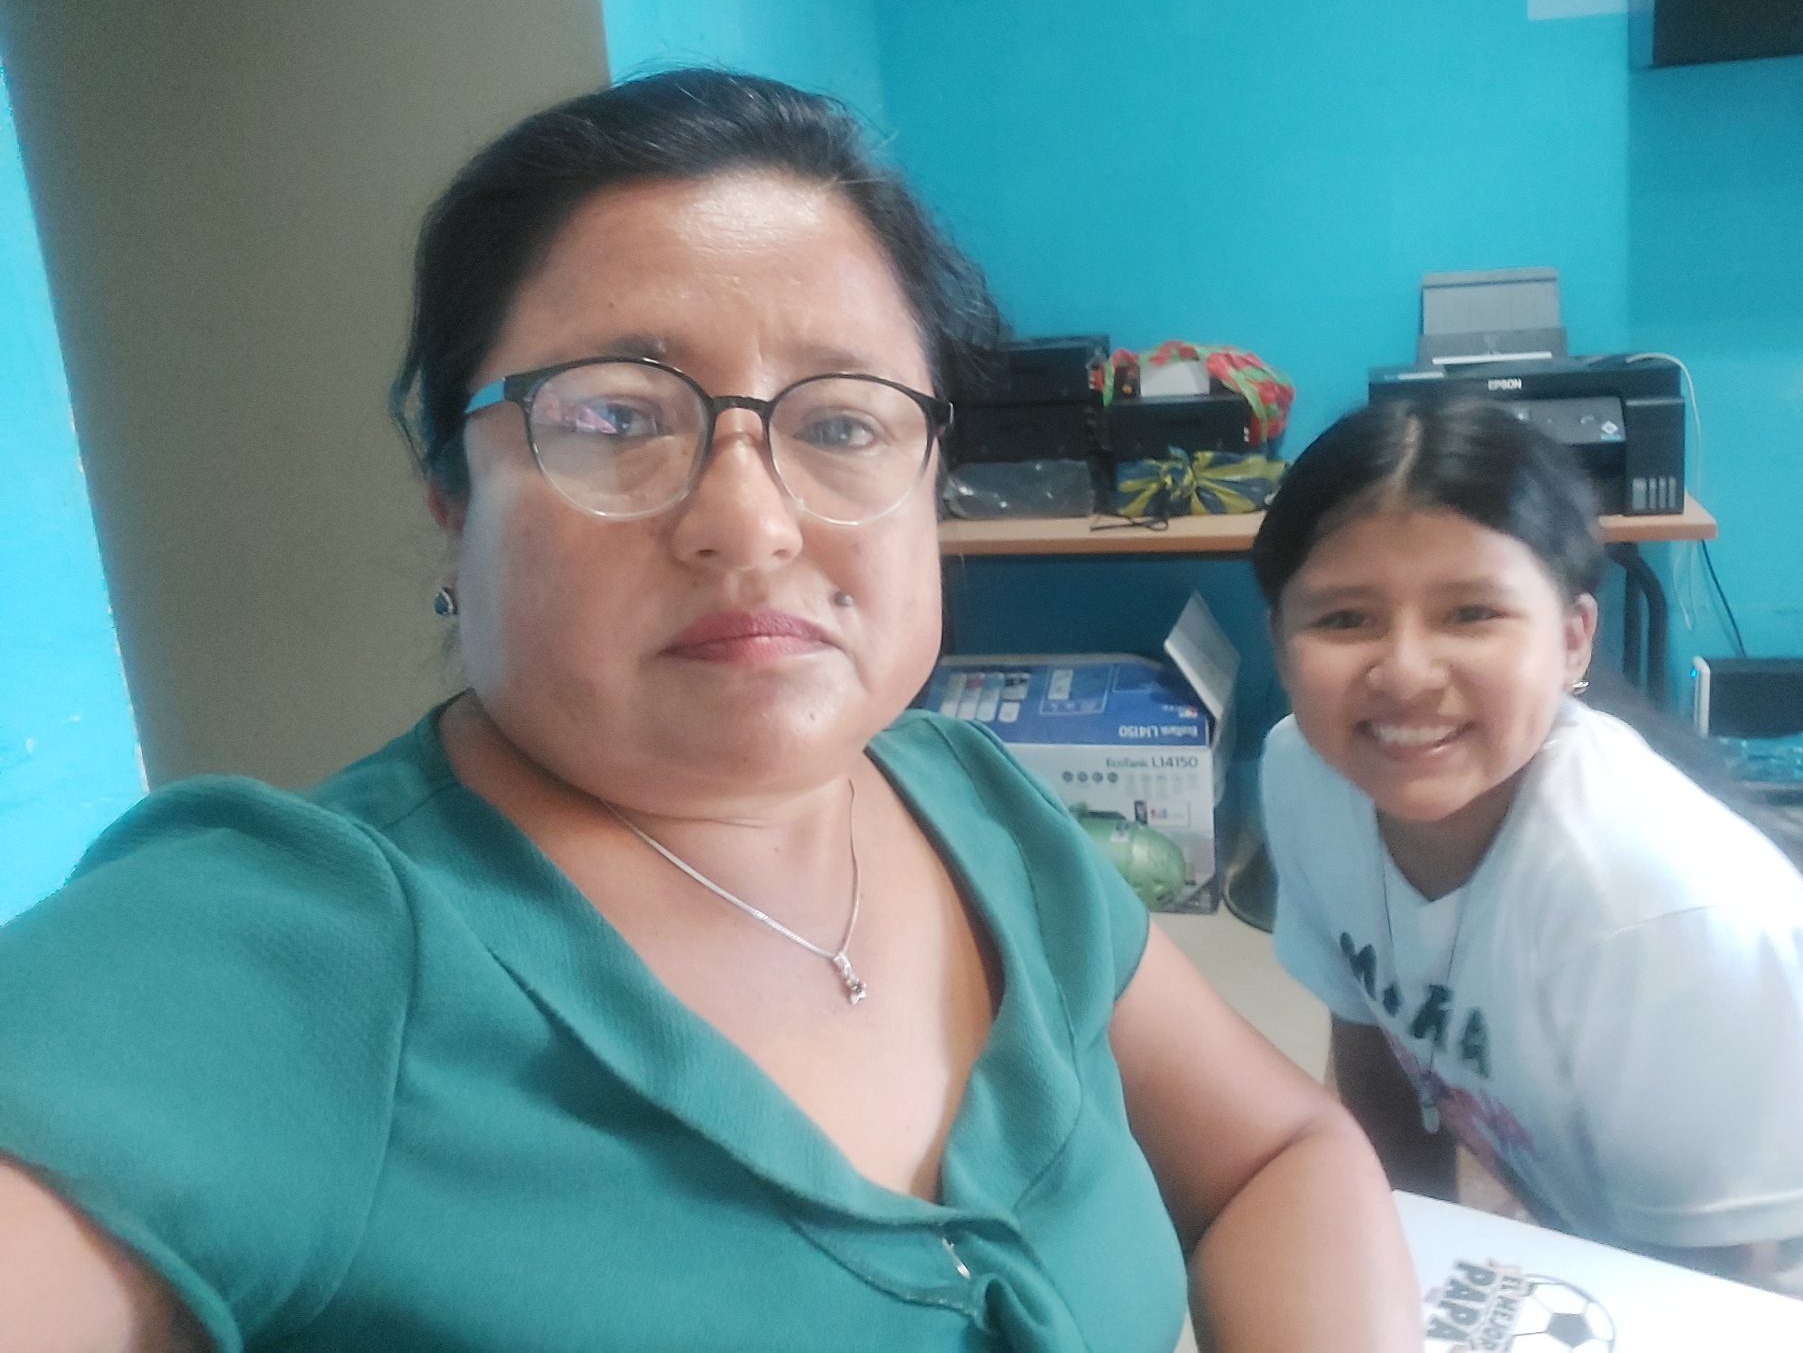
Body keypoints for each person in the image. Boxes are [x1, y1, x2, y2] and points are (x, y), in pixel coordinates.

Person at [0, 70, 1422, 1352]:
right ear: (452, 502)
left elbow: (1277, 1155)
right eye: (617, 417)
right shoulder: (287, 948)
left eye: (842, 421)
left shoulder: (977, 803)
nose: (750, 523)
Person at [1252, 398, 1803, 1317]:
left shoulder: (1646, 895)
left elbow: (1700, 1292)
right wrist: (1404, 1280)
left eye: (1471, 613)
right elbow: (1372, 1048)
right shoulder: (1306, 777)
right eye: (1346, 619)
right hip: (1657, 1262)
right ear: (1279, 644)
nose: (1405, 672)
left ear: (1572, 640)